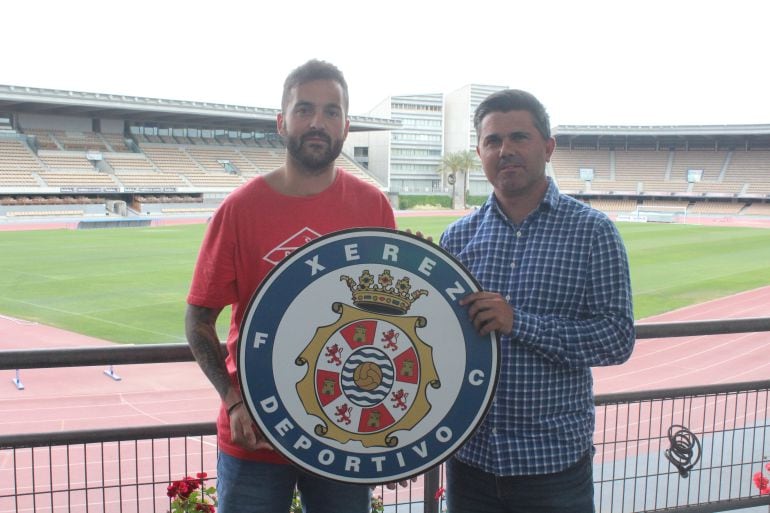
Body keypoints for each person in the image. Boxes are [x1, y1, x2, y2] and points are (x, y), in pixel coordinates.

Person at [185, 59, 396, 513]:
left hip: (346, 431)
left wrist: (393, 429)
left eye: (331, 111)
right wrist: (234, 401)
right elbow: (199, 320)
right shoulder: (240, 209)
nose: (318, 122)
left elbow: (387, 321)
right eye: (304, 109)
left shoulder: (373, 206)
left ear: (346, 125)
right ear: (282, 122)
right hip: (256, 435)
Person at [440, 89, 635, 513]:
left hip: (552, 467)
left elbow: (617, 339)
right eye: (492, 141)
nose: (505, 150)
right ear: (479, 152)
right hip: (470, 462)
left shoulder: (593, 233)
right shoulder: (455, 238)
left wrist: (519, 323)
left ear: (548, 147)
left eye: (519, 137)